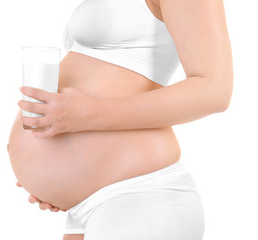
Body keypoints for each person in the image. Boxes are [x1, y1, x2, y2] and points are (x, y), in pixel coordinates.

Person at [15, 0, 233, 239]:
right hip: (89, 206)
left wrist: (89, 113)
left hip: (140, 196)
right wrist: (50, 180)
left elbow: (214, 91)